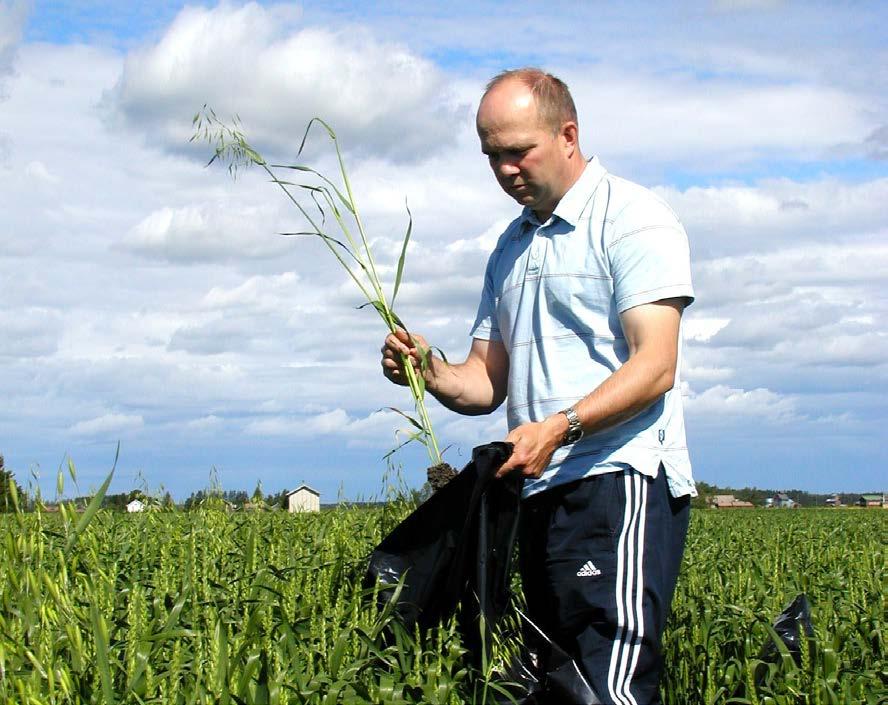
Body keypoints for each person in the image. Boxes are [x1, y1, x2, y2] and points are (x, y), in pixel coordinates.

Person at [381, 67, 695, 705]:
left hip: (617, 479)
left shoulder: (633, 218)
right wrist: (430, 367)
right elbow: (484, 384)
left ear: (568, 134)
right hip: (538, 486)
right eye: (491, 156)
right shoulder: (509, 247)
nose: (504, 170)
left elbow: (656, 364)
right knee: (552, 684)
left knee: (608, 686)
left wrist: (561, 427)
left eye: (518, 150)